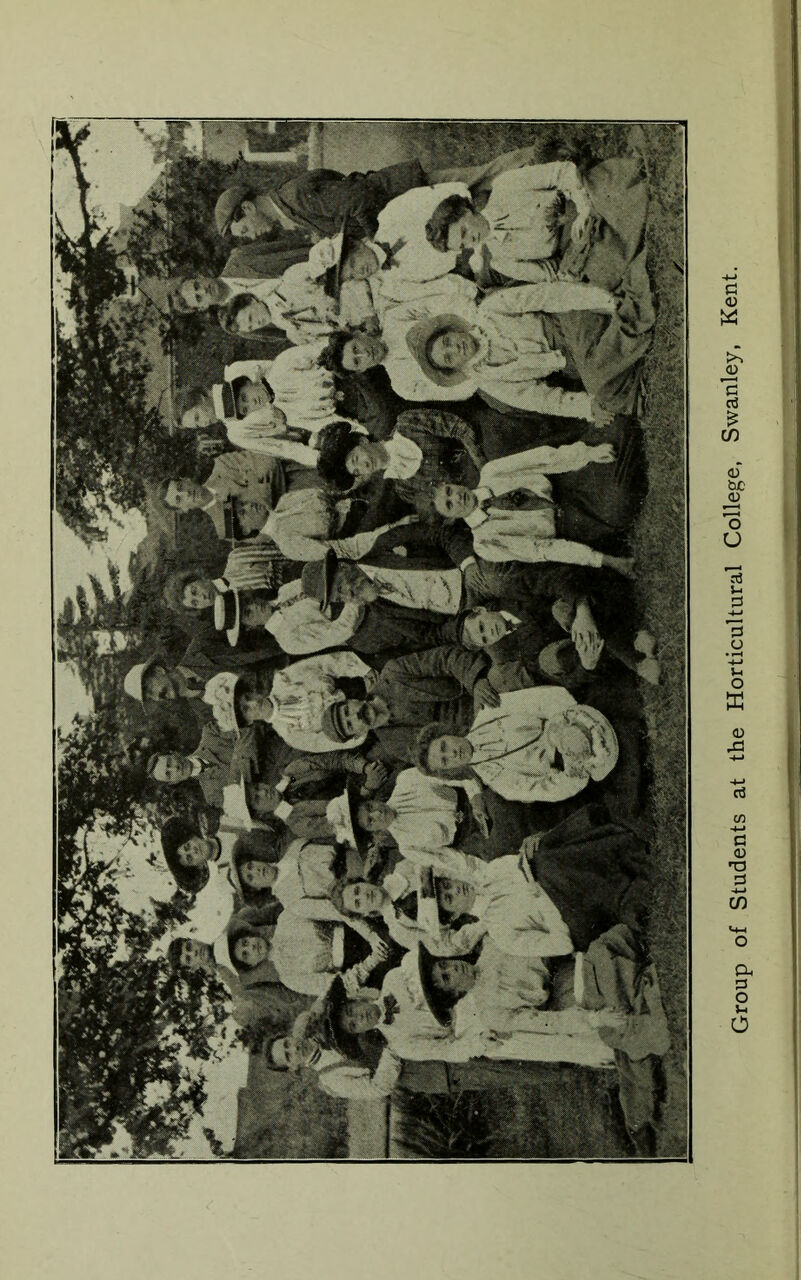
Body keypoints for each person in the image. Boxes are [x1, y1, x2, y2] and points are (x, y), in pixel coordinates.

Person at [403, 274, 651, 420]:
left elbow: (547, 296)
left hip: (568, 321)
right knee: (600, 393)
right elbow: (540, 399)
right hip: (572, 363)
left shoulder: (489, 311)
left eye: (447, 341)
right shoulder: (489, 379)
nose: (455, 348)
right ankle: (626, 338)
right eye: (449, 357)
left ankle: (629, 327)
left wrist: (603, 301)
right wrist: (585, 407)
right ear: (454, 368)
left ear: (453, 329)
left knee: (599, 378)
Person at [431, 438, 640, 567]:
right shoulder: (485, 543)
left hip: (565, 483)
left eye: (450, 491)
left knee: (615, 438)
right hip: (568, 524)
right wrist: (604, 560)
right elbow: (542, 550)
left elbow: (542, 458)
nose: (457, 498)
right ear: (451, 518)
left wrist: (589, 453)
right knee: (621, 505)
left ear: (454, 484)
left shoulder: (491, 472)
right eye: (449, 505)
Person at [414, 684, 620, 805]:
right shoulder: (498, 782)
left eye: (444, 746)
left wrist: (564, 723)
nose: (452, 753)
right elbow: (544, 790)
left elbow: (541, 698)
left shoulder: (489, 712)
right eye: (445, 761)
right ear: (452, 769)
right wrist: (572, 771)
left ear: (447, 733)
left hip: (573, 719)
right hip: (577, 762)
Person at [320, 643, 499, 767]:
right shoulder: (394, 745)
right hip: (478, 736)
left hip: (481, 691)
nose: (355, 716)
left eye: (347, 711)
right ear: (357, 735)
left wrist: (476, 681)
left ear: (351, 700)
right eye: (350, 725)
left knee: (506, 678)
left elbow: (446, 658)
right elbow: (442, 763)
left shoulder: (393, 674)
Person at [214, 161, 433, 243]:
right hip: (409, 204)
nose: (252, 237)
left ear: (247, 207)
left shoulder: (294, 198)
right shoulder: (289, 207)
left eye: (244, 230)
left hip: (415, 190)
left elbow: (359, 199)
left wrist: (375, 239)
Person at [315, 408, 485, 513]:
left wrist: (485, 469)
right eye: (357, 471)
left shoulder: (408, 424)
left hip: (484, 448)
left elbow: (461, 429)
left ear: (362, 441)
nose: (364, 466)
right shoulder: (404, 489)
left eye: (356, 458)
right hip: (477, 496)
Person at [208, 652, 376, 755]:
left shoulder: (284, 679)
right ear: (249, 721)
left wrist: (363, 671)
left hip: (364, 677)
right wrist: (368, 719)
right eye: (246, 709)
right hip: (368, 720)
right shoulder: (290, 734)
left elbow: (327, 663)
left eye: (248, 697)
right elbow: (334, 742)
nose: (253, 702)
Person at [157, 453, 287, 542]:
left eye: (180, 487)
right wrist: (260, 485)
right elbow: (266, 535)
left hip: (293, 475)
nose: (186, 493)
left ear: (186, 479)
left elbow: (268, 462)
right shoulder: (222, 525)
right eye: (179, 499)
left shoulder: (223, 465)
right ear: (183, 510)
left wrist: (262, 499)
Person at [145, 716, 239, 810]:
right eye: (168, 774)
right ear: (173, 782)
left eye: (169, 762)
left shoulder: (211, 732)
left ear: (174, 753)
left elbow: (245, 730)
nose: (175, 768)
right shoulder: (213, 796)